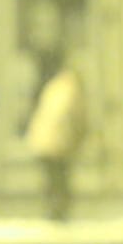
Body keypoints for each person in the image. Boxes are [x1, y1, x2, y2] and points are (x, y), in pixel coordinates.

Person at [25, 53, 87, 223]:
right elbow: (74, 117)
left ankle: (54, 211)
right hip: (56, 143)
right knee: (59, 180)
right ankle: (58, 213)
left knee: (52, 179)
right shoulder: (71, 88)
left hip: (43, 140)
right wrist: (79, 137)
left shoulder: (56, 85)